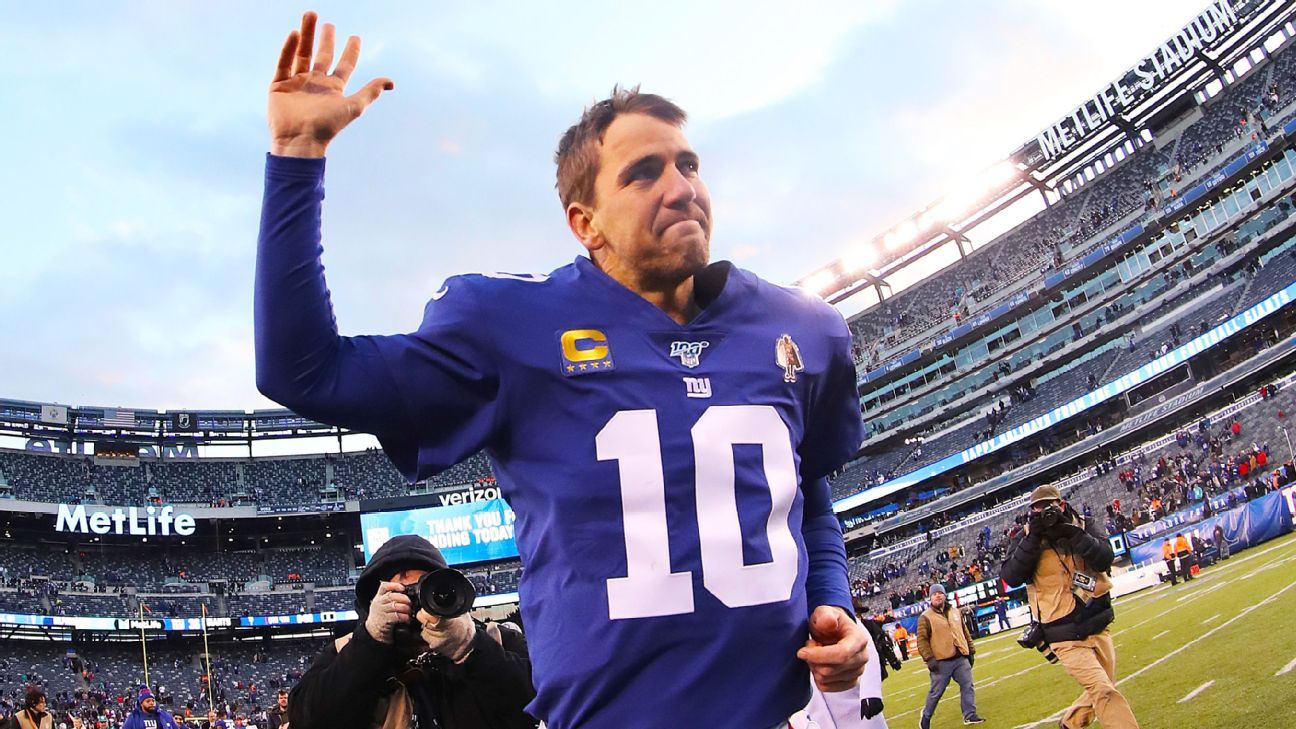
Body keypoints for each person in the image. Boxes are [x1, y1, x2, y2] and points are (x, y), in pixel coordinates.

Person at [255, 12, 868, 729]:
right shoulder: (511, 325)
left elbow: (810, 491)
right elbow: (303, 370)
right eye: (643, 173)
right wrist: (296, 158)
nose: (679, 187)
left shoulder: (803, 329)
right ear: (586, 222)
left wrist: (834, 601)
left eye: (688, 163)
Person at [288, 535, 537, 729]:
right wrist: (370, 643)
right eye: (401, 593)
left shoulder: (497, 639)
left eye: (427, 591)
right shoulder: (345, 650)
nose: (416, 603)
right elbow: (307, 720)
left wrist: (471, 648)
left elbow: (542, 708)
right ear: (374, 601)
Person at [1000, 485, 1140, 729]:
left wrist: (1074, 534)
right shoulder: (1024, 537)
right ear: (1031, 512)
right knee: (1104, 691)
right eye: (1039, 508)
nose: (1046, 512)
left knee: (1103, 686)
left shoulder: (1083, 525)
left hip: (1097, 622)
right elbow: (1010, 577)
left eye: (1050, 506)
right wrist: (1033, 537)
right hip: (1062, 631)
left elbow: (1106, 557)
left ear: (1061, 505)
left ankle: (1070, 724)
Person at [915, 584, 984, 728]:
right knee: (936, 692)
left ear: (945, 595)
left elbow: (964, 632)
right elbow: (921, 640)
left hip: (960, 657)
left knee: (967, 685)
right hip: (941, 661)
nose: (937, 596)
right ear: (930, 598)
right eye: (934, 594)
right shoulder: (925, 617)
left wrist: (970, 651)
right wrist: (929, 658)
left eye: (940, 593)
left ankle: (970, 714)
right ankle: (926, 716)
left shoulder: (955, 611)